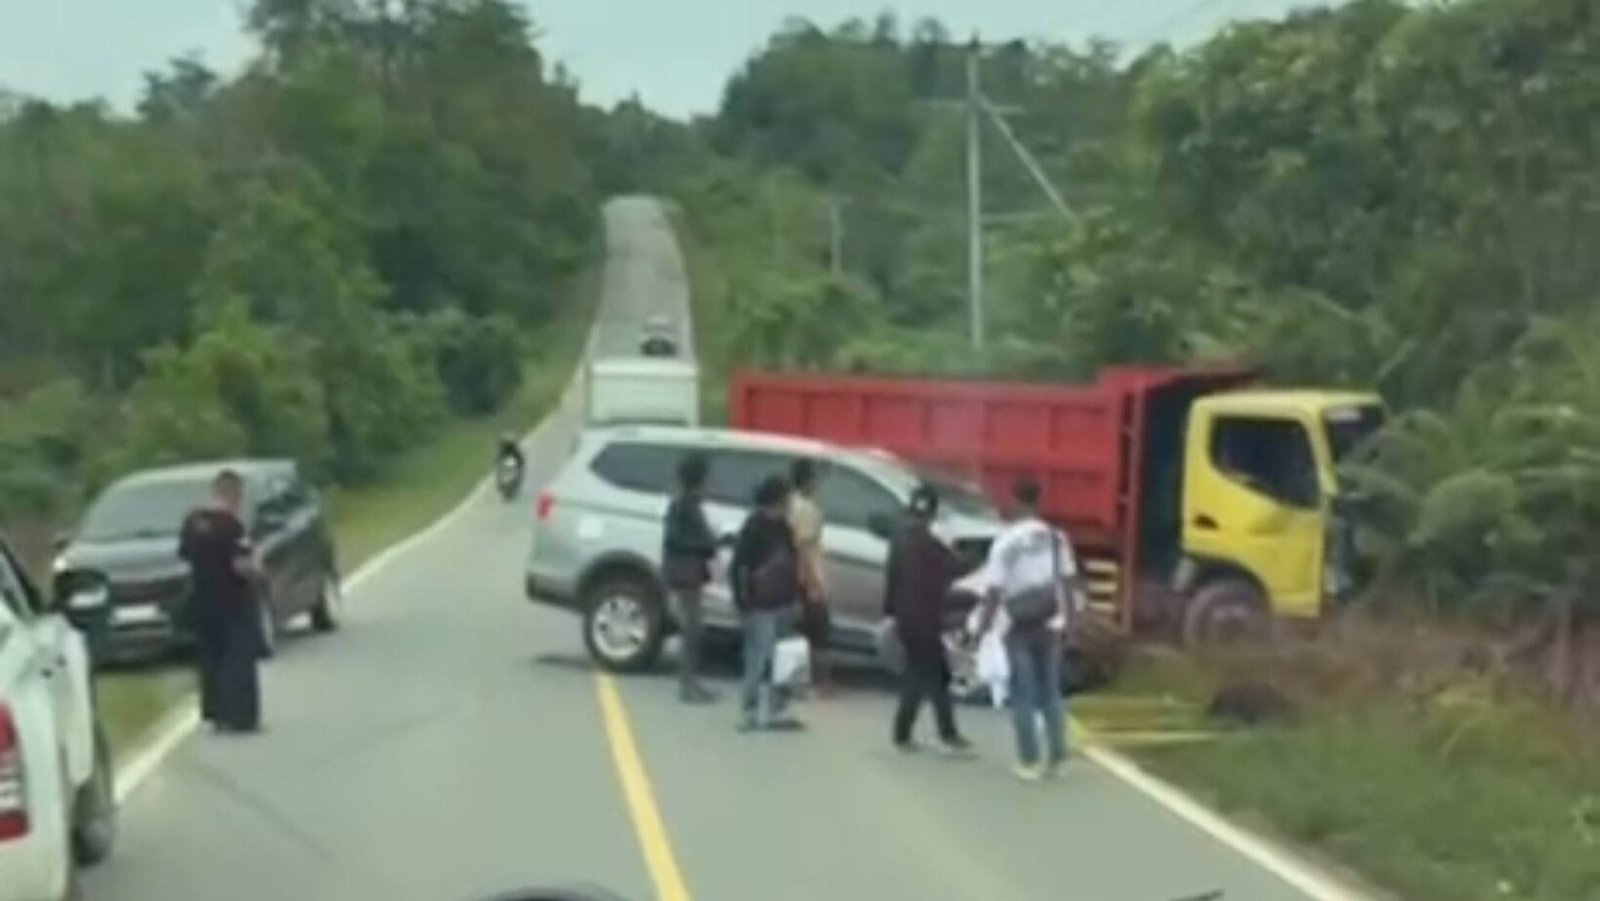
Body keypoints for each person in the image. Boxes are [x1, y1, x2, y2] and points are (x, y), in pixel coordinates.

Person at [974, 475, 1082, 780]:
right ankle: (1058, 759)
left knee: (1023, 693)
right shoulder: (1055, 537)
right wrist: (1071, 623)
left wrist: (982, 628)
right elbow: (1068, 581)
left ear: (1016, 500)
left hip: (1017, 624)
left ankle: (1029, 760)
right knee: (1051, 692)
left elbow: (994, 590)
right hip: (1050, 621)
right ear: (1039, 501)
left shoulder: (1005, 542)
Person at [884, 484, 971, 754]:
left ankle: (933, 732)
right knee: (925, 676)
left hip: (907, 618)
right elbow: (957, 568)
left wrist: (891, 613)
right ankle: (920, 733)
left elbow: (892, 579)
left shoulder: (899, 541)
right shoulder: (932, 545)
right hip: (927, 619)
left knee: (930, 675)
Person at [178, 469, 265, 734]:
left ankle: (214, 711)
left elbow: (184, 555)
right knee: (238, 657)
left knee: (210, 657)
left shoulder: (193, 522)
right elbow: (241, 566)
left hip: (203, 600)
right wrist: (258, 567)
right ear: (235, 494)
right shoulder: (232, 526)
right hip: (234, 600)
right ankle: (239, 716)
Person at [730, 475, 803, 731]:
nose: (787, 507)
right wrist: (741, 602)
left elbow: (794, 565)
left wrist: (796, 598)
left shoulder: (784, 528)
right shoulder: (753, 530)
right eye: (785, 502)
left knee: (781, 658)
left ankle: (773, 707)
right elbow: (738, 567)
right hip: (759, 605)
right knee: (759, 657)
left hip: (782, 602)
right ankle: (749, 709)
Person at [661, 452, 719, 704]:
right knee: (692, 630)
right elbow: (675, 538)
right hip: (684, 574)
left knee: (695, 629)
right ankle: (687, 686)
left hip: (691, 573)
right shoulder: (682, 505)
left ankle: (692, 682)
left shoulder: (690, 505)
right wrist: (705, 544)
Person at [787, 458, 832, 694]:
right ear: (807, 481)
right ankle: (820, 683)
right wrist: (813, 583)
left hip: (800, 577)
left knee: (803, 631)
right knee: (817, 631)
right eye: (814, 478)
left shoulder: (793, 504)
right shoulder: (805, 509)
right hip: (809, 576)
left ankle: (802, 682)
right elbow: (803, 548)